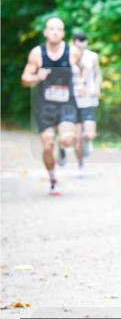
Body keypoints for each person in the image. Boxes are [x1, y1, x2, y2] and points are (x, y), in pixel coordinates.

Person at [21, 16, 85, 195]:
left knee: (67, 139)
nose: (55, 31)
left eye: (59, 29)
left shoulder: (73, 52)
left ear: (63, 33)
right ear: (45, 32)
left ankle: (63, 150)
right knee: (48, 145)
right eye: (52, 28)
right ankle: (53, 179)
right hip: (46, 106)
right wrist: (36, 77)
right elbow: (25, 79)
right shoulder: (37, 53)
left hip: (67, 104)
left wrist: (81, 85)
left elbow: (81, 71)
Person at [65, 30, 101, 176]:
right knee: (76, 136)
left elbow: (98, 74)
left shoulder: (92, 56)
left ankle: (88, 142)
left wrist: (97, 87)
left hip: (88, 98)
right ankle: (81, 166)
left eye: (84, 41)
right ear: (74, 43)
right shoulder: (68, 56)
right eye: (79, 42)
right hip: (72, 99)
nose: (82, 45)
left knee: (89, 132)